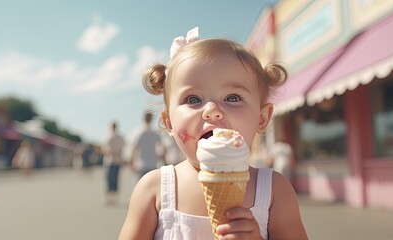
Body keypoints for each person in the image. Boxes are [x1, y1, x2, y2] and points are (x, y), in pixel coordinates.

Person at [119, 27, 308, 239]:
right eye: (192, 99)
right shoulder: (153, 189)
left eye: (232, 97)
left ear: (262, 118)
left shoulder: (275, 191)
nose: (211, 111)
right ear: (169, 121)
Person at [128, 111, 167, 179]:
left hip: (141, 166)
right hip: (153, 165)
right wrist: (165, 162)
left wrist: (131, 163)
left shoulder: (138, 132)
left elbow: (133, 148)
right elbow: (162, 149)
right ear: (151, 119)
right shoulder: (155, 133)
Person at [102, 121, 125, 205]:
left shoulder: (108, 137)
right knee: (116, 179)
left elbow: (104, 149)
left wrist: (111, 152)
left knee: (109, 179)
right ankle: (115, 197)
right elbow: (122, 149)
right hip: (118, 161)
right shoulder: (120, 137)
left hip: (110, 161)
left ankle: (109, 198)